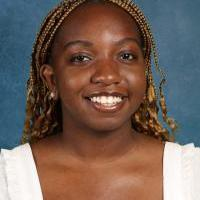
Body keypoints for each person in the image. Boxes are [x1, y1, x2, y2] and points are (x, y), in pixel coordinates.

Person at [0, 0, 200, 199]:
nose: (108, 75)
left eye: (126, 55)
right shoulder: (7, 179)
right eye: (81, 58)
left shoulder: (192, 176)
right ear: (52, 80)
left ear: (144, 73)